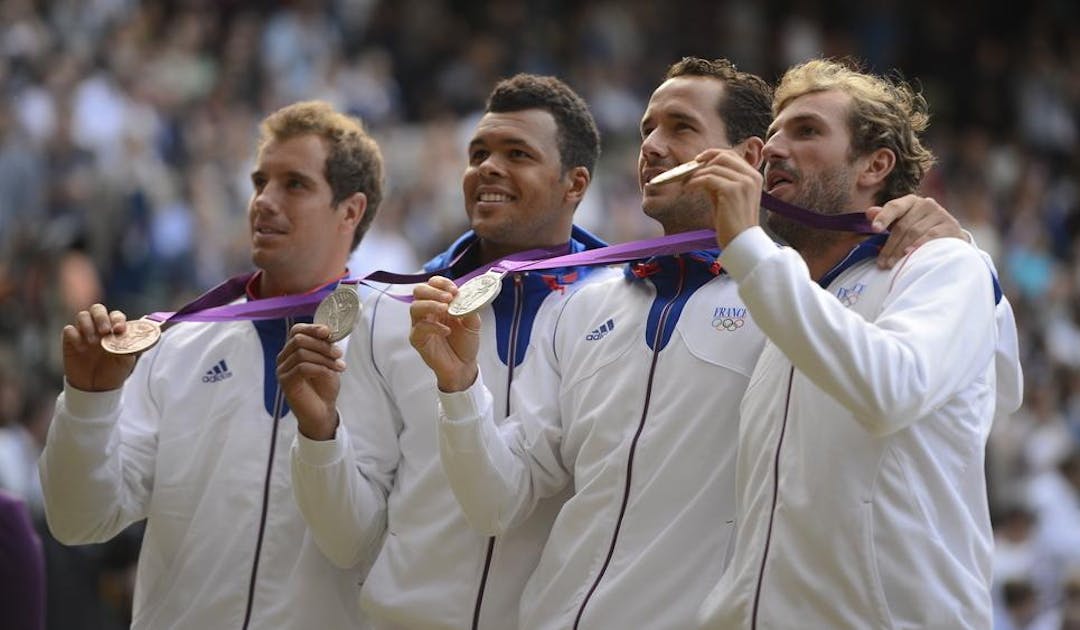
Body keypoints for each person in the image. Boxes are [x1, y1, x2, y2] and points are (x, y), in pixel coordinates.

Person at [409, 57, 976, 629]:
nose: (652, 146)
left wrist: (940, 232)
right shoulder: (585, 303)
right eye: (647, 129)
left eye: (680, 128)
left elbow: (922, 379)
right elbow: (497, 503)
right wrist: (459, 390)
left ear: (750, 160)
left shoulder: (798, 299)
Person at [694, 58, 1023, 628]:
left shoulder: (942, 263)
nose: (772, 149)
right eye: (772, 134)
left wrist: (747, 243)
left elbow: (891, 391)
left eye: (806, 131)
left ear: (876, 164)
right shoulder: (785, 300)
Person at [277, 74, 612, 629]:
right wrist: (319, 434)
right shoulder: (389, 308)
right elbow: (348, 540)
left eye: (517, 153)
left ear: (574, 184)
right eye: (478, 152)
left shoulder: (616, 312)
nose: (488, 167)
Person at [38, 100, 383, 629]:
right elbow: (77, 519)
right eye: (259, 181)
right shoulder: (179, 344)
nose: (263, 202)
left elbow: (359, 544)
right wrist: (88, 402)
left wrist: (323, 434)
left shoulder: (396, 346)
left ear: (351, 211)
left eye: (294, 184)